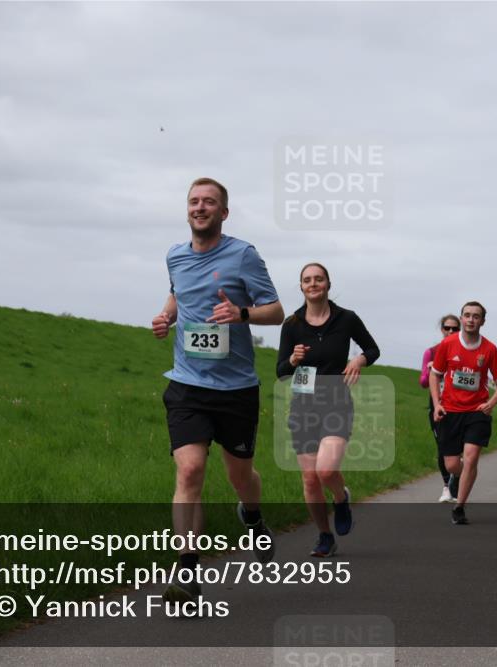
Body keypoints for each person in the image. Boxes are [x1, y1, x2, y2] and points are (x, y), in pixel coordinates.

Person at [152, 178, 284, 601]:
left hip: (237, 389)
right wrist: (165, 316)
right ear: (187, 209)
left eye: (209, 202)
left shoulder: (243, 255)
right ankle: (187, 574)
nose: (200, 207)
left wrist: (241, 313)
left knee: (240, 476)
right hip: (188, 383)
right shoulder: (174, 256)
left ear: (223, 213)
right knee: (189, 470)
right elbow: (177, 294)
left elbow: (277, 312)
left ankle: (254, 517)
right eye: (194, 201)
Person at [277, 263, 380, 557]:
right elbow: (281, 372)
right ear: (301, 287)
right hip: (303, 407)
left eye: (318, 279)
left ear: (327, 284)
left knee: (326, 470)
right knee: (309, 478)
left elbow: (372, 349)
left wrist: (359, 361)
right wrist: (293, 361)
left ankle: (340, 497)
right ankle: (324, 535)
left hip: (336, 404)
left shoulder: (346, 319)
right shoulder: (292, 324)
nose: (313, 284)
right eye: (307, 280)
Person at [429, 301, 497, 525]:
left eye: (476, 316)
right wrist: (437, 404)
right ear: (461, 318)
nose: (471, 319)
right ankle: (463, 474)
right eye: (467, 315)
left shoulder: (490, 349)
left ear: (483, 321)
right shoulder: (449, 344)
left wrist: (491, 403)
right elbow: (435, 375)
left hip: (477, 411)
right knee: (452, 465)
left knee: (471, 458)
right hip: (451, 410)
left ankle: (459, 507)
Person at [421, 314, 460, 502]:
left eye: (455, 328)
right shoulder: (432, 352)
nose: (451, 332)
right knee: (443, 448)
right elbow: (422, 382)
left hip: (461, 408)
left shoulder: (466, 350)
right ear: (441, 329)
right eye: (447, 328)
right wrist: (431, 371)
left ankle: (457, 478)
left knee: (459, 451)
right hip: (439, 408)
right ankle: (447, 487)